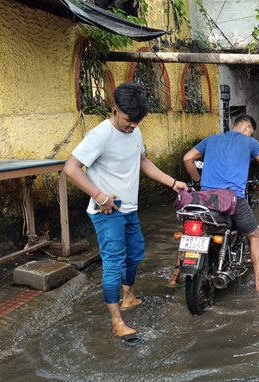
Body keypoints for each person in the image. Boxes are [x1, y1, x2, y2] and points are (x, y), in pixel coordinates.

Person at [63, 82, 188, 341]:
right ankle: (116, 321)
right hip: (107, 212)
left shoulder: (136, 132)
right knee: (113, 264)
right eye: (128, 121)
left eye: (136, 122)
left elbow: (142, 161)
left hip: (129, 208)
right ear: (114, 110)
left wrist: (173, 183)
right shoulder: (100, 135)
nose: (132, 126)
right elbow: (71, 168)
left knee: (136, 255)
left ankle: (128, 297)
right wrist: (100, 196)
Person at [183, 114, 259, 291]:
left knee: (191, 232)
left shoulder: (211, 139)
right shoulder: (250, 143)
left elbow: (188, 158)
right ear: (247, 128)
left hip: (205, 199)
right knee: (254, 235)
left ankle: (174, 278)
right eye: (251, 132)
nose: (250, 135)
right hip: (232, 199)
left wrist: (197, 181)